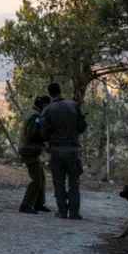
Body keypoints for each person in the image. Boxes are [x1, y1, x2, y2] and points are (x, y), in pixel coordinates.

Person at [42, 82, 87, 219]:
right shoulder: (74, 106)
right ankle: (74, 212)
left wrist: (51, 135)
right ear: (60, 91)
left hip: (56, 150)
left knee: (59, 181)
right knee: (74, 182)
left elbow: (43, 132)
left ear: (50, 93)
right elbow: (83, 127)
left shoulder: (48, 109)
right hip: (73, 150)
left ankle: (62, 211)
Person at [19, 96, 52, 214]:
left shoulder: (34, 113)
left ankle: (38, 203)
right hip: (29, 150)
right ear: (43, 105)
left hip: (31, 150)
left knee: (41, 178)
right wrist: (46, 137)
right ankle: (26, 205)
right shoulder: (36, 116)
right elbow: (33, 134)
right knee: (37, 180)